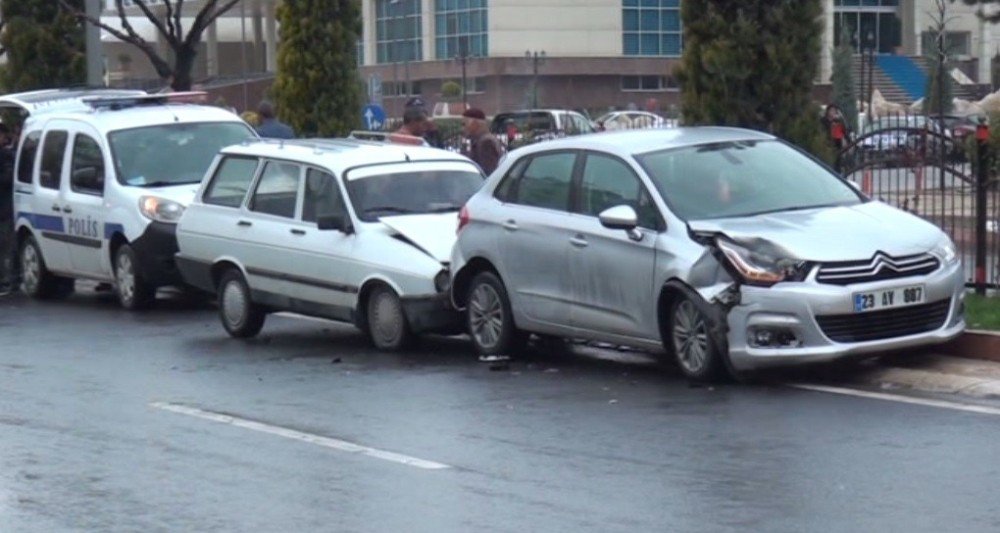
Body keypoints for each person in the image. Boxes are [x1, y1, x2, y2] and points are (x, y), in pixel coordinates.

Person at [461, 108, 504, 175]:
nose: (462, 128)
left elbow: (489, 172)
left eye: (464, 124)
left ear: (474, 124)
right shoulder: (476, 140)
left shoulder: (486, 142)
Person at [0, 123, 16, 295]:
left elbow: (8, 178)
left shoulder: (5, 156)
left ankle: (8, 280)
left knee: (6, 245)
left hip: (4, 208)